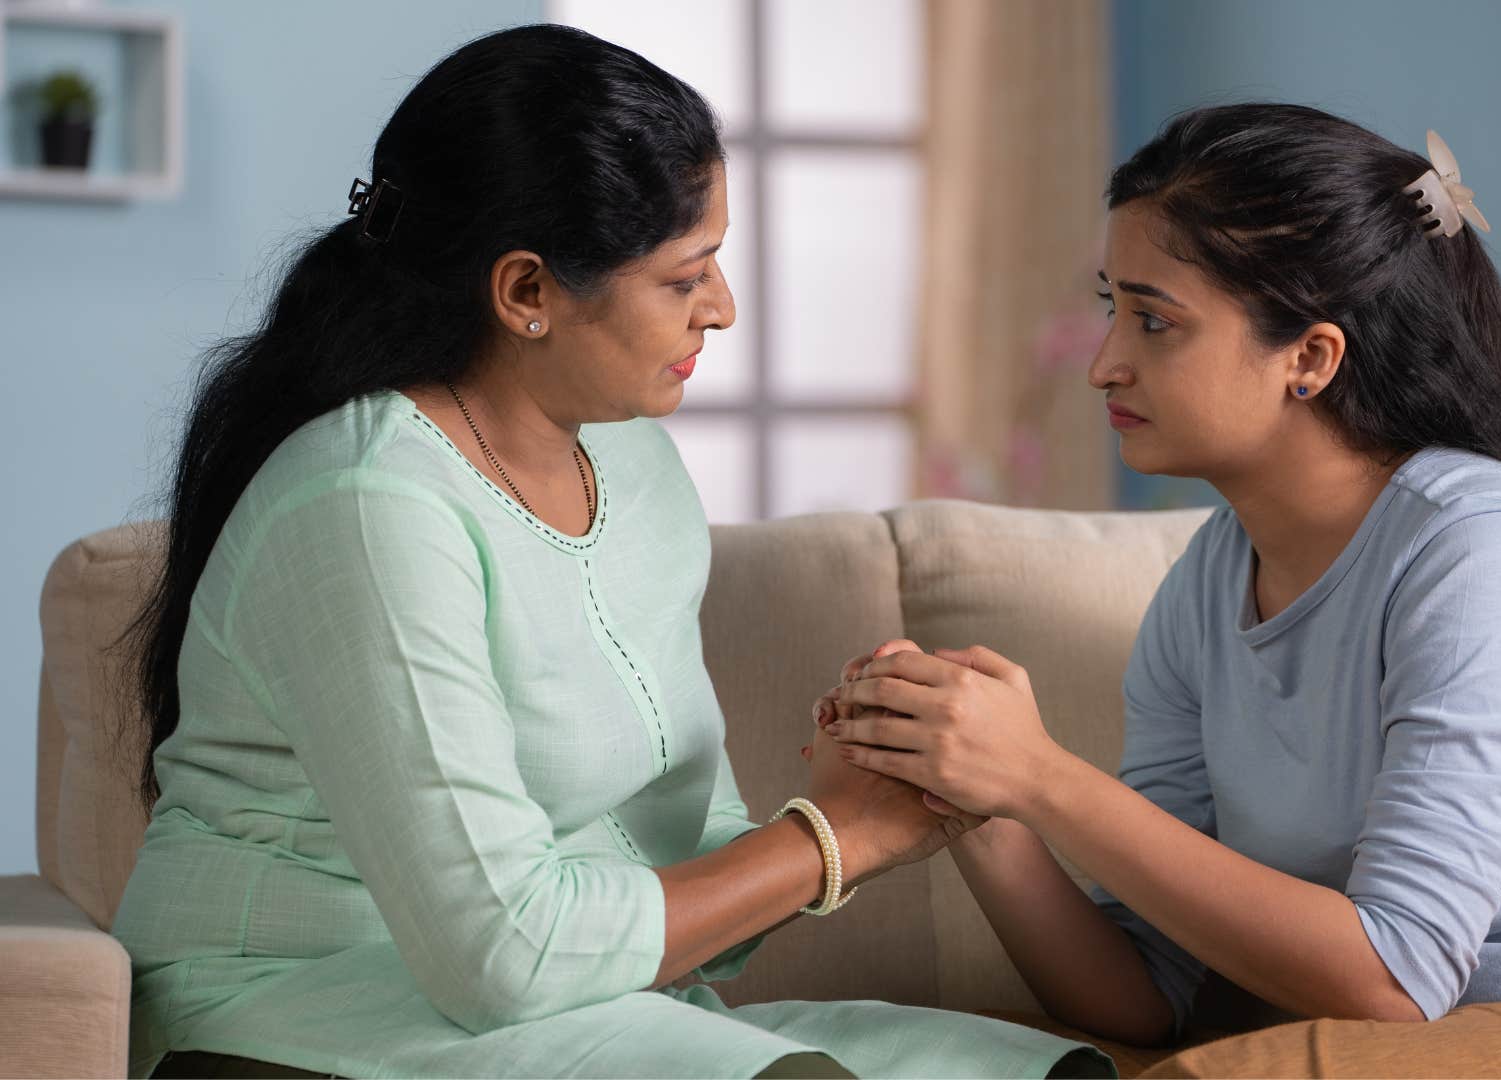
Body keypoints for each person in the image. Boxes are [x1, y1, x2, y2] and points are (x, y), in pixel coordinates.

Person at [110, 24, 1109, 1080]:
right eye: (687, 275)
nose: (722, 308)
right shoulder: (367, 506)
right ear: (527, 293)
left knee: (1043, 1072)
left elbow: (678, 869)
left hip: (563, 1004)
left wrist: (861, 787)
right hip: (298, 1010)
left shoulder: (637, 472)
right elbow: (504, 953)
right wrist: (834, 838)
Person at [821, 104, 1501, 1079]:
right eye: (1111, 310)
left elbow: (1395, 980)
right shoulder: (1205, 590)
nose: (1102, 365)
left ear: (1310, 358)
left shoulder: (1480, 552)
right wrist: (981, 803)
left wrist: (1047, 777)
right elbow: (1145, 998)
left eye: (1153, 321)